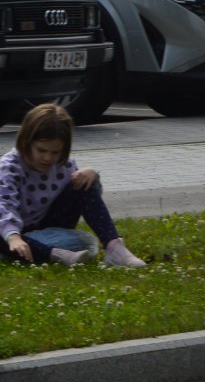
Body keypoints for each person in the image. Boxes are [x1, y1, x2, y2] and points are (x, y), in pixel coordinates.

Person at [1, 103, 145, 268]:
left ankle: (114, 248)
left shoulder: (64, 165)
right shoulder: (10, 167)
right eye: (41, 150)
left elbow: (88, 200)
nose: (48, 158)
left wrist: (92, 176)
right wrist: (13, 236)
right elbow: (4, 205)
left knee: (84, 179)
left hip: (49, 224)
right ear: (26, 142)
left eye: (55, 152)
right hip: (14, 232)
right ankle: (58, 255)